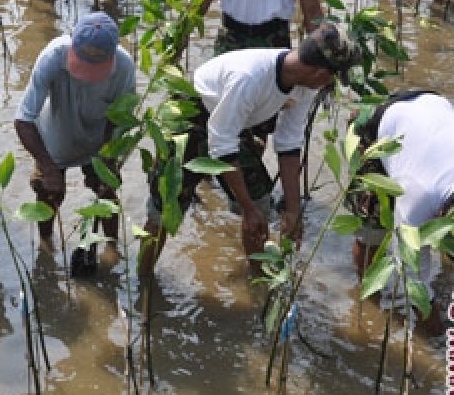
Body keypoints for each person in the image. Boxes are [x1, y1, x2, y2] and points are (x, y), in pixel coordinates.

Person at [141, 23, 362, 274]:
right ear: (321, 74)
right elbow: (221, 144)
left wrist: (293, 209)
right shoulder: (249, 78)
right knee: (166, 208)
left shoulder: (304, 85)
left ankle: (258, 280)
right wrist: (245, 208)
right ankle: (144, 280)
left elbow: (289, 143)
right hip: (190, 116)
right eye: (333, 77)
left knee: (261, 203)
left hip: (233, 125)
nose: (330, 84)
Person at [350, 90, 454, 305]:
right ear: (438, 216)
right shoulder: (415, 203)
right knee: (371, 232)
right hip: (379, 126)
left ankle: (450, 267)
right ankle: (368, 299)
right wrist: (435, 333)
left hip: (436, 105)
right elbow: (414, 285)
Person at [15, 12, 135, 247]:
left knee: (107, 193)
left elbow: (121, 119)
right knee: (48, 194)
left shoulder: (124, 67)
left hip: (100, 140)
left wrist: (108, 158)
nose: (88, 75)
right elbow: (23, 120)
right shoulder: (53, 56)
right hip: (55, 138)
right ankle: (45, 247)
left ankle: (112, 249)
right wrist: (48, 168)